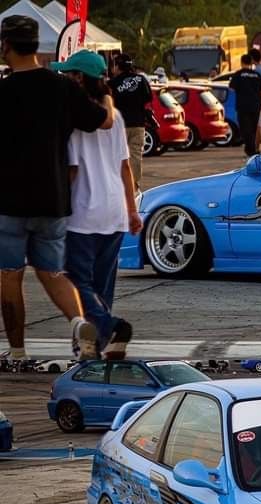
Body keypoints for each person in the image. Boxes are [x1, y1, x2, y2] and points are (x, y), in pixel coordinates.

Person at [0, 15, 113, 363]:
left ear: (6, 46)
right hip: (53, 199)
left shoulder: (2, 91)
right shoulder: (63, 87)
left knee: (9, 277)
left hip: (10, 201)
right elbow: (102, 121)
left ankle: (17, 352)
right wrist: (107, 97)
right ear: (36, 46)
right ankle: (79, 323)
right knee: (53, 272)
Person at [50, 49, 141, 360]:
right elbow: (125, 166)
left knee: (76, 281)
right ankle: (97, 346)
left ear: (78, 78)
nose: (63, 78)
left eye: (67, 74)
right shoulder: (113, 116)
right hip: (114, 210)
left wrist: (56, 207)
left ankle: (111, 327)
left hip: (84, 212)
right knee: (102, 286)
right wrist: (132, 209)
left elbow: (72, 170)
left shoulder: (75, 119)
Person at [109, 52, 152, 190]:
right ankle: (133, 187)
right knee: (135, 156)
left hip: (119, 126)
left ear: (117, 66)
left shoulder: (112, 83)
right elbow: (148, 97)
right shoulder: (141, 79)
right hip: (138, 124)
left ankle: (120, 186)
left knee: (117, 157)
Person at [229, 53, 261, 157]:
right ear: (250, 62)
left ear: (241, 62)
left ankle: (250, 149)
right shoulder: (257, 75)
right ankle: (252, 149)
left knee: (245, 128)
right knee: (253, 128)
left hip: (243, 105)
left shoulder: (238, 74)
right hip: (256, 105)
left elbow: (231, 88)